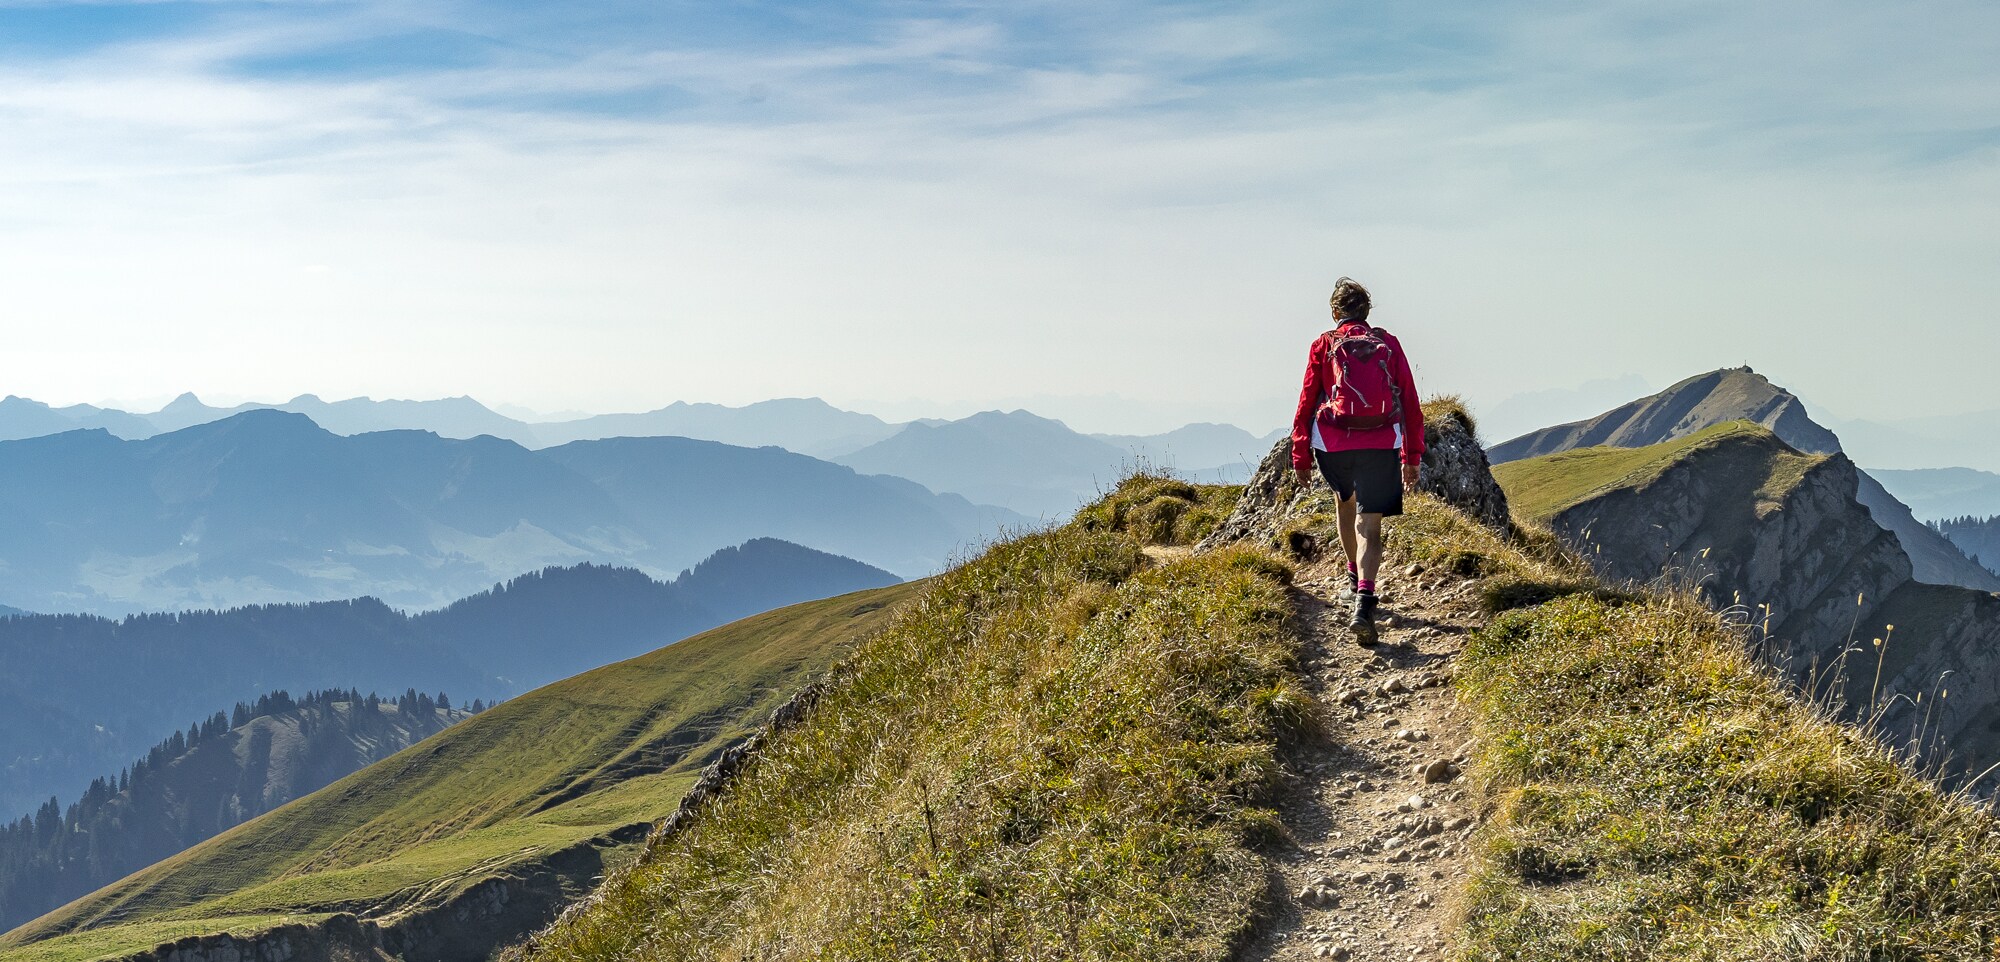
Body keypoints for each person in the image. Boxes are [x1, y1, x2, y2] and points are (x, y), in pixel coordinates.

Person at [1290, 277, 1424, 636]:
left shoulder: (1324, 344)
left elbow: (1307, 401)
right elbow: (1410, 402)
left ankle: (1353, 578)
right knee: (1371, 525)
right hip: (1381, 442)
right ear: (1367, 312)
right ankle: (1365, 600)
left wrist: (1300, 453)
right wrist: (1412, 456)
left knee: (1345, 504)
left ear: (1335, 312)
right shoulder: (1388, 344)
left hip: (1333, 444)